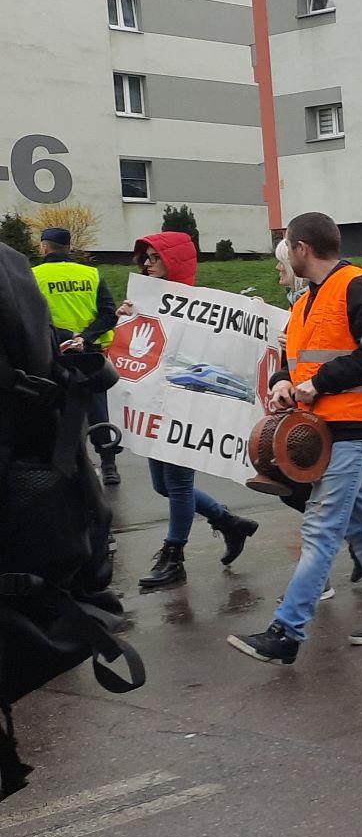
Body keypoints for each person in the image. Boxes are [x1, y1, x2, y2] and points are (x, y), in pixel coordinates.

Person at [226, 214, 362, 664]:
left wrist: (320, 383)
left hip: (356, 422)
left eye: (287, 246)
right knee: (360, 524)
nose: (286, 255)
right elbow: (299, 359)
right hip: (328, 424)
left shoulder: (357, 286)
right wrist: (281, 381)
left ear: (301, 248)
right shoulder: (309, 298)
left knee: (321, 527)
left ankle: (286, 632)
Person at [119, 232, 260, 589]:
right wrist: (127, 318)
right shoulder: (147, 301)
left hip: (187, 405)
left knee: (179, 484)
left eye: (154, 257)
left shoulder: (201, 305)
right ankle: (228, 522)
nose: (147, 263)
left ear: (174, 260)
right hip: (155, 402)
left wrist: (255, 313)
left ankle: (174, 556)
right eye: (145, 258)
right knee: (162, 485)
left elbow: (229, 335)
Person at [33, 227, 123, 487]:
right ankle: (109, 465)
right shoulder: (91, 274)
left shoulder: (33, 276)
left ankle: (68, 468)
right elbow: (109, 313)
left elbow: (33, 317)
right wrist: (85, 336)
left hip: (52, 354)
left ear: (44, 248)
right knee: (97, 411)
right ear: (69, 248)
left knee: (58, 411)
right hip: (90, 355)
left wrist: (66, 335)